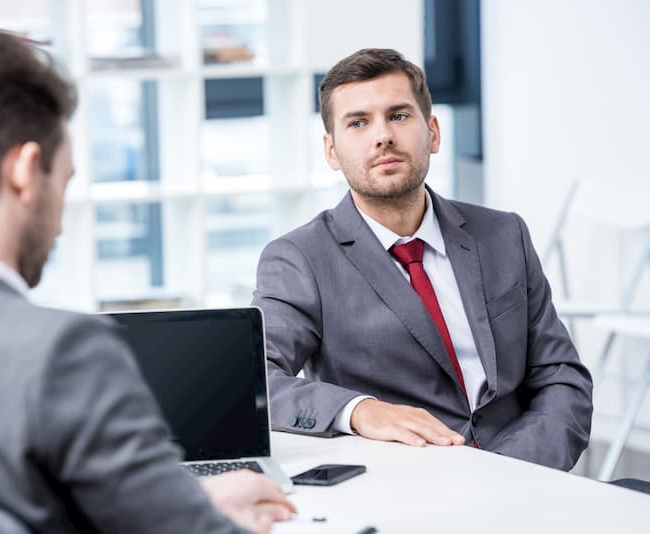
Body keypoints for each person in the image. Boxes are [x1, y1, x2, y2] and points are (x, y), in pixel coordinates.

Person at [0, 29, 294, 533]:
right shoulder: (61, 352)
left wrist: (189, 500)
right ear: (25, 171)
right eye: (63, 182)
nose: (59, 222)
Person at [251, 48, 593, 471]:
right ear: (331, 151)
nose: (383, 137)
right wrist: (360, 410)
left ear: (432, 132)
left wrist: (516, 469)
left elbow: (562, 377)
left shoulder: (504, 234)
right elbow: (255, 382)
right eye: (358, 123)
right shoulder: (300, 259)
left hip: (528, 472)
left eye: (398, 116)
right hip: (407, 487)